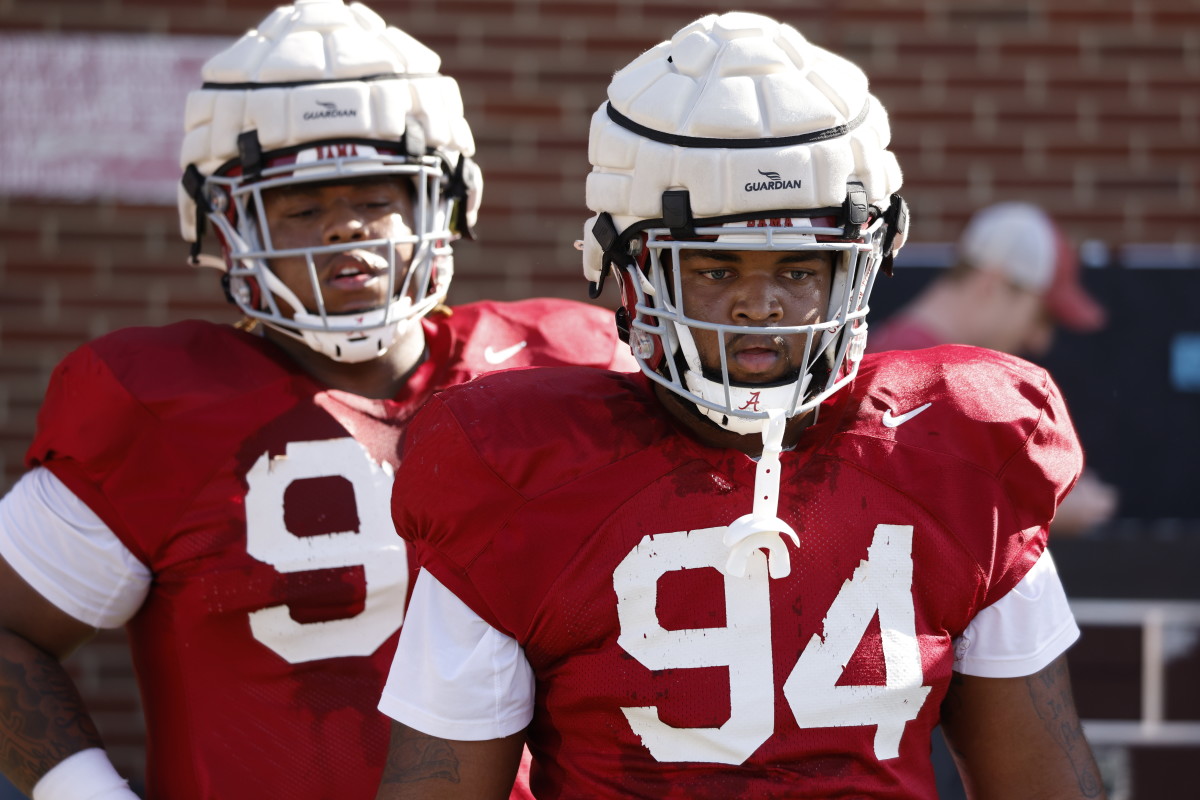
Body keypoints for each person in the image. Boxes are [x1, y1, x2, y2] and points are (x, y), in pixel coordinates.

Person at [375, 12, 1107, 800]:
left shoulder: (958, 448)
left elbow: (1046, 786)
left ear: (863, 266)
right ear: (632, 271)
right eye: (716, 271)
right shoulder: (518, 474)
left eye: (799, 269)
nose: (761, 305)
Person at [0, 1, 633, 798]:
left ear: (446, 201)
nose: (346, 232)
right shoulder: (161, 406)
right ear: (223, 226)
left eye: (378, 198)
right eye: (300, 208)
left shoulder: (565, 370)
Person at [868, 201, 1118, 538]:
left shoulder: (916, 360)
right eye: (1041, 316)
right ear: (993, 284)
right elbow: (909, 517)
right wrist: (1043, 507)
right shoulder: (919, 369)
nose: (1039, 341)